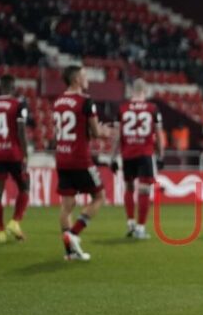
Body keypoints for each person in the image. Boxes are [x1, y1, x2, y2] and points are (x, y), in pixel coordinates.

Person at [54, 65, 109, 261]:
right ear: (76, 79)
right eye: (85, 76)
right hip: (80, 158)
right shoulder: (86, 101)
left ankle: (70, 252)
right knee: (99, 196)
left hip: (62, 157)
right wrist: (105, 132)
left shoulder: (58, 101)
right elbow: (94, 132)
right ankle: (74, 234)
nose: (88, 80)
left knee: (67, 205)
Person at [111, 79, 165, 240]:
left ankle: (130, 223)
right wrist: (161, 155)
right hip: (145, 154)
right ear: (145, 91)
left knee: (129, 188)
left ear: (131, 91)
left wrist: (113, 157)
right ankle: (141, 228)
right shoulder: (152, 108)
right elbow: (159, 135)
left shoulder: (122, 108)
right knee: (144, 190)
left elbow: (117, 135)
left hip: (127, 154)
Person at [0, 74, 30, 243]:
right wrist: (25, 155)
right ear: (12, 87)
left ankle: (1, 231)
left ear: (0, 87)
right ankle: (15, 221)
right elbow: (21, 131)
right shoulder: (18, 104)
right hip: (14, 153)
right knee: (25, 187)